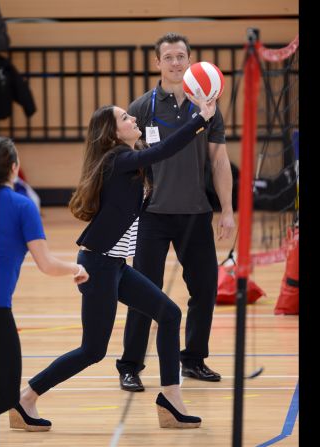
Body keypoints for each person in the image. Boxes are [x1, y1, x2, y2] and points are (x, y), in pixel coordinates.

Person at [15, 93, 217, 431]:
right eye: (125, 118)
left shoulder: (129, 160)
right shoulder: (116, 160)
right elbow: (164, 150)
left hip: (117, 267)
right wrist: (201, 120)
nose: (133, 120)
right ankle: (26, 398)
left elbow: (160, 151)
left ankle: (171, 398)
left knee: (169, 314)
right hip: (96, 267)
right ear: (112, 133)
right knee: (92, 350)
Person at [115, 32, 235, 392]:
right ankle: (130, 365)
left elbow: (219, 160)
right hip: (152, 216)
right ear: (157, 63)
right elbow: (126, 160)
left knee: (205, 289)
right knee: (143, 292)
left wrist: (227, 209)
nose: (175, 62)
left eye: (181, 56)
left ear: (189, 59)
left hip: (196, 213)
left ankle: (194, 359)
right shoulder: (142, 107)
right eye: (168, 57)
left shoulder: (209, 106)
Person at [0, 136, 90, 431]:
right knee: (7, 390)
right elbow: (47, 264)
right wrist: (77, 268)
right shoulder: (23, 207)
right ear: (14, 167)